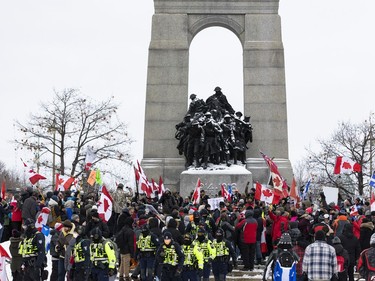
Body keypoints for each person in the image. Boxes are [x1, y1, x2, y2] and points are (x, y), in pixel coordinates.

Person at [115, 217, 136, 281]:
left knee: (122, 264)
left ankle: (121, 276)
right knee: (126, 264)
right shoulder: (130, 231)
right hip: (127, 250)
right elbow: (131, 243)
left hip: (122, 249)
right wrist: (132, 253)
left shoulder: (122, 229)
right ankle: (126, 277)